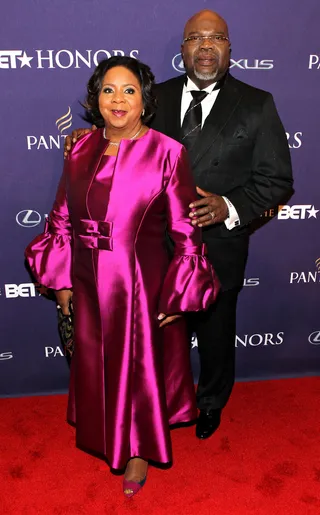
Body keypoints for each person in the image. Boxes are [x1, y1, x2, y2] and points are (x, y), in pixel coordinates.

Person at [64, 10, 293, 442]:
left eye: (216, 38)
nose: (206, 47)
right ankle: (155, 405)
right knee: (155, 342)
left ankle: (210, 402)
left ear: (229, 48)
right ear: (183, 49)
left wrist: (228, 206)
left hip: (216, 247)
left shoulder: (257, 104)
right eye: (196, 39)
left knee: (215, 335)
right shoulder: (154, 97)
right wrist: (86, 138)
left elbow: (278, 179)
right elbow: (119, 134)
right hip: (149, 253)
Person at [25, 56, 219, 497]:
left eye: (129, 90)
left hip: (139, 283)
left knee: (136, 368)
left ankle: (137, 452)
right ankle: (108, 434)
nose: (118, 99)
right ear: (95, 98)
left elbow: (186, 232)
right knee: (98, 364)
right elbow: (61, 220)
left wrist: (178, 296)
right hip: (88, 281)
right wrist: (62, 283)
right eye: (108, 89)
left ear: (144, 101)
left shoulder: (168, 153)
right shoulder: (79, 148)